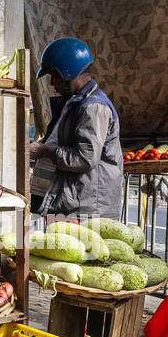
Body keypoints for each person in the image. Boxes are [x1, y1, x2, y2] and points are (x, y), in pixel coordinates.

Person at [29, 37, 123, 219]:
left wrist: (45, 151)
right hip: (77, 204)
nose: (51, 84)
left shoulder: (93, 107)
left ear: (66, 72)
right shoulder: (75, 103)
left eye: (53, 76)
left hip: (88, 209)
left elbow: (84, 158)